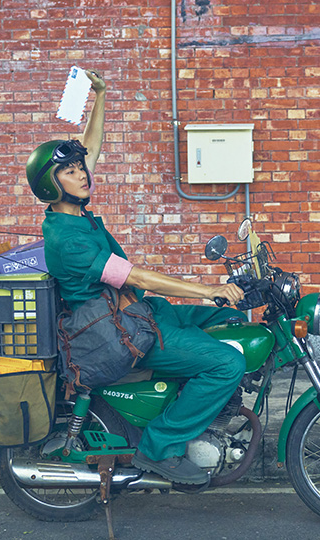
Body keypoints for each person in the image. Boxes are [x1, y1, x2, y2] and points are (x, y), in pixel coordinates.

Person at [25, 69, 247, 486]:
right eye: (69, 172)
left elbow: (91, 148)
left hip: (137, 311)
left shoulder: (72, 213)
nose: (82, 174)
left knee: (228, 321)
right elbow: (138, 275)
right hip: (115, 329)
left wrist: (101, 95)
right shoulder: (67, 239)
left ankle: (209, 417)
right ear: (51, 188)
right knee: (226, 362)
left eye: (79, 168)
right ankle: (161, 446)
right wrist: (208, 287)